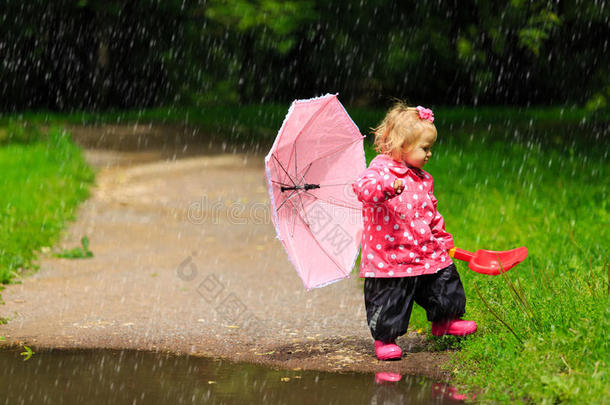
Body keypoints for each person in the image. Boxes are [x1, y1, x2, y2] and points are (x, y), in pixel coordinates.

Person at [351, 102, 476, 361]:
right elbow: (363, 189)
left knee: (443, 278)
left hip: (424, 248)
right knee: (390, 297)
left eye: (430, 148)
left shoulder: (422, 177)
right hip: (390, 254)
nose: (429, 154)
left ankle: (445, 320)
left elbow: (430, 211)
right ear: (400, 145)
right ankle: (385, 339)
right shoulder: (380, 170)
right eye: (425, 148)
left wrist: (441, 237)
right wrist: (387, 187)